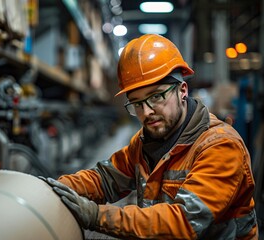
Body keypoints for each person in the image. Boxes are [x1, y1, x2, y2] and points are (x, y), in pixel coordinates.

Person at [40, 34, 258, 239]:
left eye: (156, 97)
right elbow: (104, 179)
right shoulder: (145, 142)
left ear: (182, 90)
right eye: (136, 103)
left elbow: (184, 221)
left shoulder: (220, 146)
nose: (146, 112)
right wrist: (50, 189)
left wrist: (98, 216)